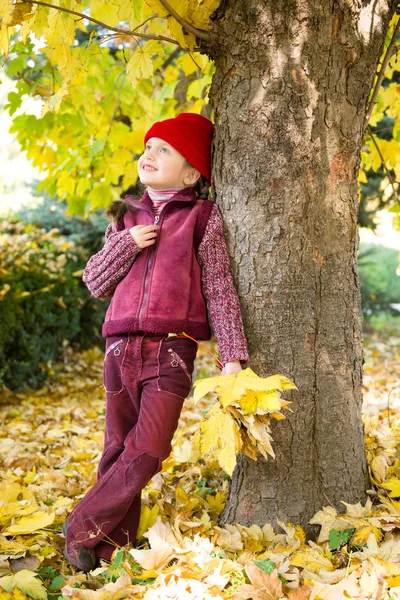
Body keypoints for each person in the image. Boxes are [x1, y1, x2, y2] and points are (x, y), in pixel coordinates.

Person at [63, 112, 249, 571]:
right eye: (147, 147)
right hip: (120, 348)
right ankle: (108, 548)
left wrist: (232, 356)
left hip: (172, 350)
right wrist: (126, 243)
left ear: (191, 172)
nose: (149, 154)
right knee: (116, 447)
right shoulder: (125, 217)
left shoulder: (202, 218)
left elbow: (220, 288)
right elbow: (95, 282)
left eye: (163, 149)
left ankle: (80, 525)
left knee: (148, 449)